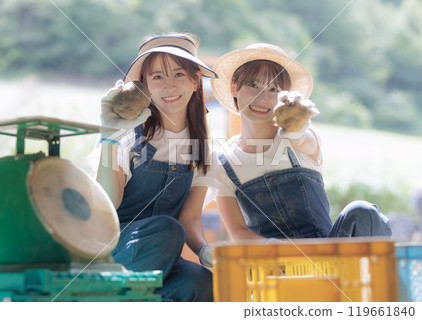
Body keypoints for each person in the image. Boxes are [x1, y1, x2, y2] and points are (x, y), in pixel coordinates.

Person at [205, 43, 391, 245]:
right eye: (253, 85)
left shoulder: (299, 135)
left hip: (329, 261)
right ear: (234, 87)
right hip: (273, 266)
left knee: (363, 212)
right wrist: (280, 250)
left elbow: (302, 140)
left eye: (273, 88)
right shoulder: (223, 163)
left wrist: (296, 128)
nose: (262, 97)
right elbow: (238, 232)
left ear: (284, 96)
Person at [96, 33, 218, 301]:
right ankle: (102, 298)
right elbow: (106, 203)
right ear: (145, 85)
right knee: (167, 228)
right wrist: (109, 136)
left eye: (178, 74)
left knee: (203, 284)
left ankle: (134, 301)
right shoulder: (128, 132)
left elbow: (190, 218)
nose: (169, 86)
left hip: (162, 255)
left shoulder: (204, 149)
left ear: (196, 81)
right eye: (158, 77)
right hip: (113, 252)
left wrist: (203, 249)